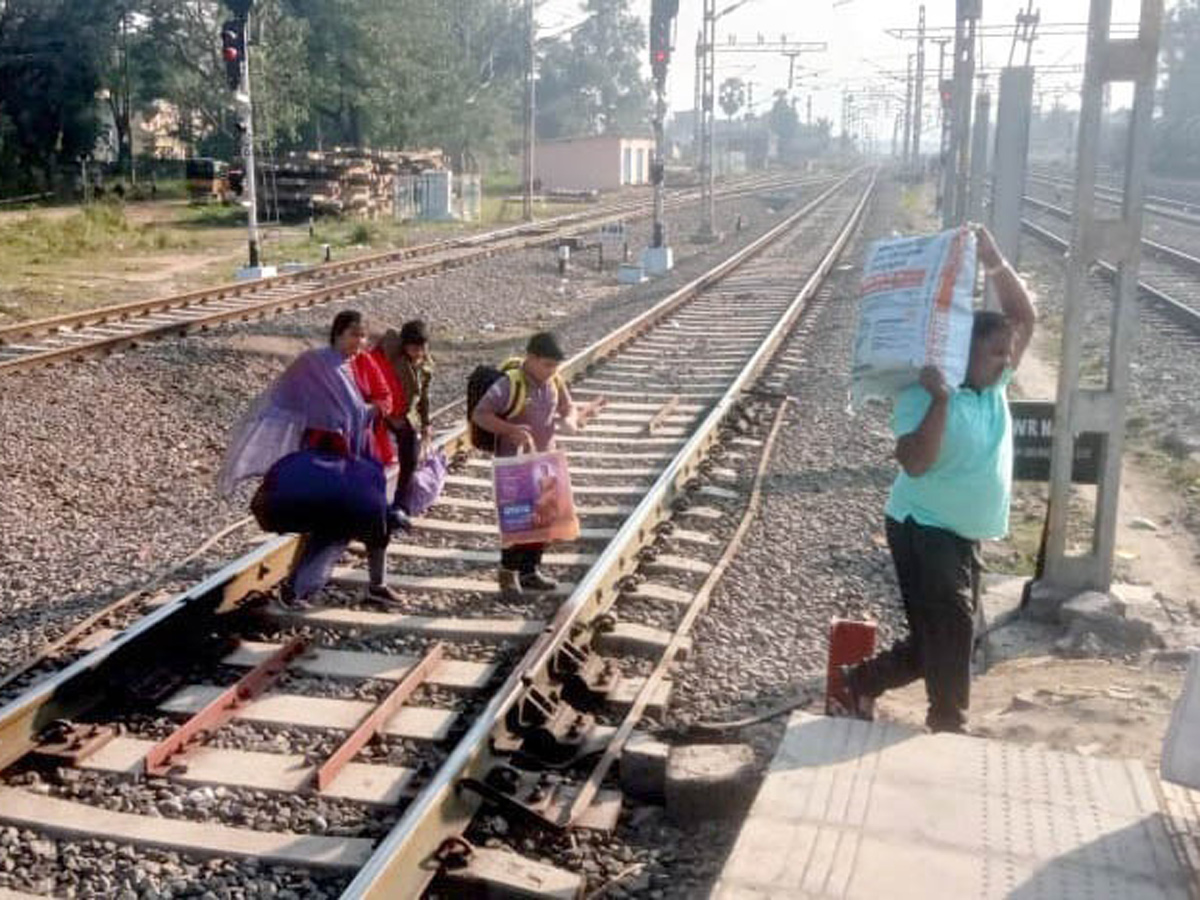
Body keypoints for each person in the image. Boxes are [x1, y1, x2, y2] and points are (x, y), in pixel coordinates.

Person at [840, 224, 1037, 734]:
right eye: (995, 354)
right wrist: (942, 401)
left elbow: (1024, 316)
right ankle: (948, 723)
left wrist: (994, 262)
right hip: (921, 529)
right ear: (962, 352)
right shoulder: (923, 395)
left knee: (943, 637)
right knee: (951, 629)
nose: (1004, 362)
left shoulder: (993, 388)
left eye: (1004, 354)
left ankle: (861, 681)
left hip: (963, 534)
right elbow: (916, 462)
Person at [218, 309, 400, 608]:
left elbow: (385, 397)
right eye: (354, 334)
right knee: (332, 519)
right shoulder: (312, 364)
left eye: (363, 335)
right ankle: (301, 586)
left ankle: (376, 583)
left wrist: (366, 411)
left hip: (361, 451)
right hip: (322, 451)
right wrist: (326, 416)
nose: (360, 341)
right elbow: (284, 399)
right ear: (338, 333)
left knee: (374, 514)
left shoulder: (365, 361)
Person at [470, 331, 606, 594]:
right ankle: (508, 574)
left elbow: (568, 407)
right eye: (546, 365)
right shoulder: (510, 384)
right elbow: (480, 414)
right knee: (517, 520)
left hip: (545, 462)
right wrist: (510, 430)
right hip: (515, 464)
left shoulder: (554, 380)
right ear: (531, 358)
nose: (551, 371)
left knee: (544, 519)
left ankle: (531, 571)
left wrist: (569, 419)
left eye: (555, 366)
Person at [390, 319, 434, 512]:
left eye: (421, 348)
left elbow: (424, 397)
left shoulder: (425, 366)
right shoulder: (395, 363)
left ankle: (400, 504)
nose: (417, 353)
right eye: (413, 348)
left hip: (408, 417)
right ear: (404, 346)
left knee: (411, 458)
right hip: (389, 414)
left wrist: (426, 423)